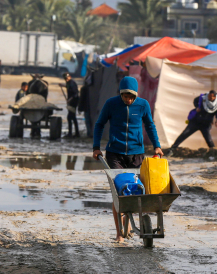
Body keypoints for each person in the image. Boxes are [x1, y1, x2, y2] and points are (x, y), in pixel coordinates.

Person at [92, 77, 163, 242]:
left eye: (131, 97)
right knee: (119, 193)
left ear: (136, 95)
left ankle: (129, 226)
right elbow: (99, 124)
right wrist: (96, 147)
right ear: (121, 94)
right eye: (125, 96)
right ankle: (119, 234)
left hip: (136, 153)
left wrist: (157, 146)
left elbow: (150, 125)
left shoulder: (143, 105)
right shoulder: (111, 104)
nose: (128, 100)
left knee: (135, 189)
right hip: (115, 153)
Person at [60, 73, 80, 138]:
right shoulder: (69, 83)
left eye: (67, 78)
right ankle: (75, 133)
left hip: (74, 102)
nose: (66, 79)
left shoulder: (72, 83)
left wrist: (70, 100)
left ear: (70, 77)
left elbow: (75, 94)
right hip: (71, 102)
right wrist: (62, 85)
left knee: (70, 117)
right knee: (73, 117)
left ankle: (71, 133)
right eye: (65, 79)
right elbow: (68, 87)